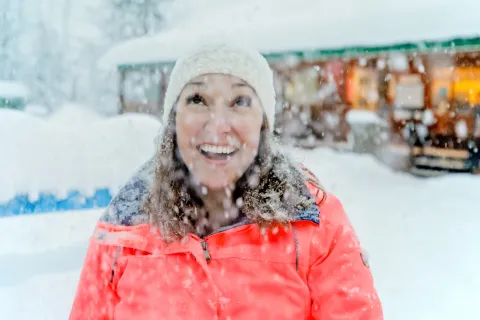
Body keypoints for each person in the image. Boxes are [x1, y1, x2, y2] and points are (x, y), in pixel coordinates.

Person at [69, 41, 383, 319]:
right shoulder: (122, 228)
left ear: (263, 123)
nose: (218, 125)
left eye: (240, 102)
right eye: (197, 100)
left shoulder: (317, 225)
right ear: (174, 120)